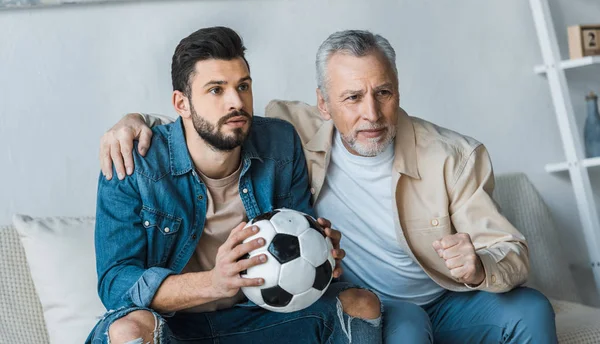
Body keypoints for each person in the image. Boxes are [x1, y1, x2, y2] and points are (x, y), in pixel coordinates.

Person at [101, 30, 557, 343]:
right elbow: (206, 126)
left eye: (383, 93)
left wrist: (477, 267)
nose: (371, 115)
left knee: (532, 308)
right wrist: (132, 122)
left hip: (448, 298)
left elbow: (510, 250)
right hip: (382, 308)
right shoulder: (290, 130)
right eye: (352, 98)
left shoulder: (453, 156)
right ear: (323, 103)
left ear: (398, 89)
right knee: (398, 326)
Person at [89, 27, 382, 344]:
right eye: (216, 90)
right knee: (127, 331)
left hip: (258, 318)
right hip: (174, 328)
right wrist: (213, 283)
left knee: (361, 304)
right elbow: (115, 283)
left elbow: (296, 232)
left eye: (243, 86)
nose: (236, 102)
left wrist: (319, 253)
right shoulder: (132, 161)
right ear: (182, 103)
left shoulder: (281, 144)